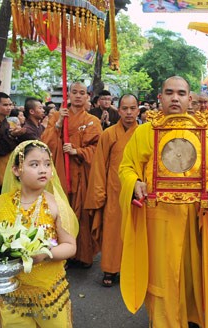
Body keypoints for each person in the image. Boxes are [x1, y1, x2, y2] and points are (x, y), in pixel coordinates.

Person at [118, 76, 208, 327]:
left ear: (190, 98)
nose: (175, 98)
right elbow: (126, 168)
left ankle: (194, 319)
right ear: (161, 97)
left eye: (180, 93)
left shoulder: (201, 134)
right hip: (158, 220)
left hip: (193, 218)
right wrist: (135, 184)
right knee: (163, 280)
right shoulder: (145, 132)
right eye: (169, 92)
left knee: (193, 277)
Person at [0, 140, 78, 327]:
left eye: (47, 164)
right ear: (16, 170)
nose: (43, 170)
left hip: (48, 293)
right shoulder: (2, 204)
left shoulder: (56, 205)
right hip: (12, 294)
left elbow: (70, 246)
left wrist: (45, 253)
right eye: (34, 164)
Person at [42, 81, 102, 267]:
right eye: (74, 92)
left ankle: (83, 254)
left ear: (87, 96)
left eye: (82, 93)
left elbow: (98, 149)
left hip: (81, 174)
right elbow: (46, 143)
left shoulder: (93, 120)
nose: (78, 96)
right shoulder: (57, 116)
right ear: (68, 95)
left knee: (81, 213)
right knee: (60, 213)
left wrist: (78, 151)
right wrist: (59, 125)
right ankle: (62, 255)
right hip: (60, 173)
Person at [84, 94, 140, 287]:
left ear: (138, 110)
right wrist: (100, 192)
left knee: (134, 231)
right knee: (112, 231)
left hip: (135, 190)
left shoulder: (142, 133)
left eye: (133, 108)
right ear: (119, 109)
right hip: (114, 190)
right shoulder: (108, 134)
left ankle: (130, 269)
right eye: (125, 108)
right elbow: (99, 164)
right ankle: (110, 269)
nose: (129, 113)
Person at [0, 92, 23, 188]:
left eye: (10, 105)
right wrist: (11, 135)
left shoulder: (9, 123)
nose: (9, 108)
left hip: (10, 164)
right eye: (5, 105)